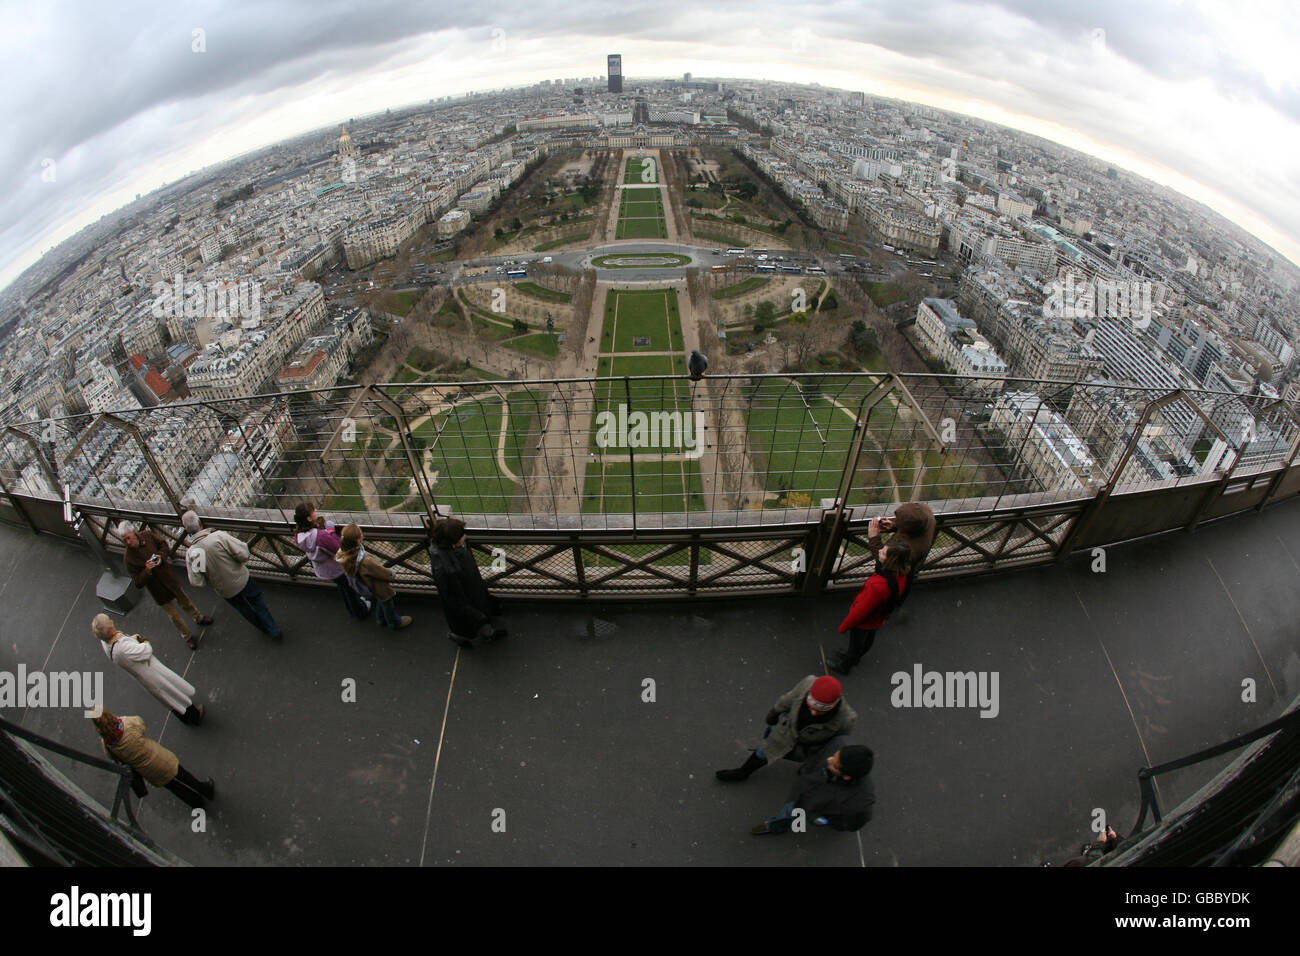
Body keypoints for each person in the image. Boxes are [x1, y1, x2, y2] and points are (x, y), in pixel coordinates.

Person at [716, 675, 855, 782]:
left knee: (804, 766)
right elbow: (785, 701)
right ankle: (743, 772)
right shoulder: (807, 683)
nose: (813, 713)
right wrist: (773, 715)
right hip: (782, 735)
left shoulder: (846, 719)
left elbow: (835, 745)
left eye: (820, 711)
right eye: (811, 706)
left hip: (805, 750)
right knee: (762, 752)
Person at [182, 511, 282, 640]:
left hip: (224, 589)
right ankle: (273, 629)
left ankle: (264, 629)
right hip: (241, 578)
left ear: (187, 530)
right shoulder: (218, 537)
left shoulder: (193, 553)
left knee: (244, 609)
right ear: (200, 523)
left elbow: (198, 581)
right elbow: (243, 553)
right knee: (257, 602)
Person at [93, 613, 205, 725]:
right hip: (152, 672)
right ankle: (194, 715)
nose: (112, 622)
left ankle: (184, 717)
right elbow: (145, 652)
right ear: (111, 629)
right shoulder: (122, 647)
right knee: (172, 691)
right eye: (110, 622)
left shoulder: (106, 643)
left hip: (143, 675)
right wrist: (144, 642)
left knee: (166, 698)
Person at [90, 709, 214, 808]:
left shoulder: (107, 744)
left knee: (173, 786)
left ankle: (195, 802)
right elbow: (141, 724)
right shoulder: (125, 723)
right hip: (158, 757)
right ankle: (204, 789)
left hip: (147, 771)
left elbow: (112, 757)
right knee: (182, 775)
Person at [751, 736, 875, 835]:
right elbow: (817, 757)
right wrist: (804, 771)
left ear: (847, 776)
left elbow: (852, 824)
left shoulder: (860, 802)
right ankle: (781, 822)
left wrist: (821, 819)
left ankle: (777, 826)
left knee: (792, 813)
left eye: (835, 764)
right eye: (834, 755)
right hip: (804, 787)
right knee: (790, 807)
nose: (829, 760)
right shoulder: (840, 742)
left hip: (812, 809)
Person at [829, 529, 912, 676]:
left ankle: (845, 665)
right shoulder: (901, 573)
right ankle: (855, 657)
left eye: (883, 552)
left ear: (890, 560)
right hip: (879, 617)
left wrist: (844, 627)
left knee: (857, 643)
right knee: (869, 637)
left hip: (866, 620)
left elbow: (860, 611)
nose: (880, 552)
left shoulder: (877, 586)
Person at [119, 522, 213, 650]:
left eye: (128, 538)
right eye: (125, 540)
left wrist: (160, 557)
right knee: (174, 616)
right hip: (157, 589)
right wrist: (146, 571)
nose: (128, 542)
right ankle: (187, 636)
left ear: (134, 533)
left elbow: (163, 545)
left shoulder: (147, 535)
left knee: (185, 601)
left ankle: (198, 617)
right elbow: (137, 582)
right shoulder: (128, 559)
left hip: (168, 578)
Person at [429, 518, 505, 647]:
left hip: (470, 592)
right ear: (452, 542)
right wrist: (477, 614)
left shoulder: (450, 551)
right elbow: (455, 600)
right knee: (470, 620)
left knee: (469, 621)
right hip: (466, 600)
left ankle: (475, 632)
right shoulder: (447, 568)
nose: (465, 536)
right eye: (461, 535)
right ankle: (463, 637)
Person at [293, 502, 368, 619]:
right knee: (349, 589)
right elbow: (340, 548)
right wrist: (331, 531)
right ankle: (360, 611)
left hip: (324, 569)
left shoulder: (299, 535)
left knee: (343, 588)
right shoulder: (320, 536)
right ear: (309, 518)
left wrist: (324, 531)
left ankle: (352, 608)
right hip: (336, 568)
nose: (316, 510)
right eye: (314, 511)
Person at [336, 523, 412, 630]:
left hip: (368, 585)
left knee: (381, 601)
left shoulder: (345, 555)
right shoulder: (366, 561)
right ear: (358, 540)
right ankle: (394, 622)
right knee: (387, 603)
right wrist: (392, 573)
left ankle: (380, 619)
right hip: (378, 586)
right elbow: (381, 572)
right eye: (360, 532)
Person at [867, 501, 936, 604]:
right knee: (907, 583)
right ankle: (900, 599)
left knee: (894, 587)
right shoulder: (926, 517)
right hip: (912, 564)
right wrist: (895, 525)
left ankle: (893, 602)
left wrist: (874, 538)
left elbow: (886, 560)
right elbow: (915, 527)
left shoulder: (906, 548)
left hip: (899, 570)